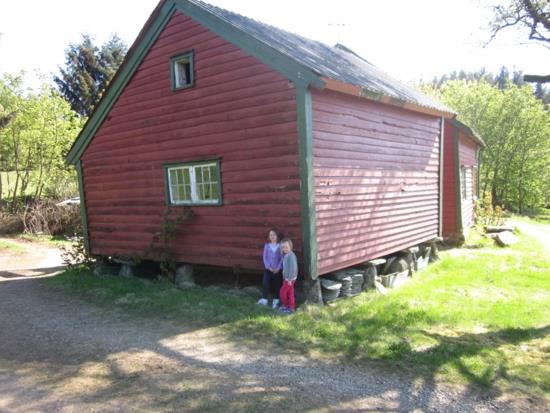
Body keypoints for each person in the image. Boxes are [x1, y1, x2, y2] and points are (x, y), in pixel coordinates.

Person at [257, 228, 283, 308]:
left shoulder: (280, 246)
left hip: (277, 270)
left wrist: (278, 268)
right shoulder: (267, 245)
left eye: (274, 235)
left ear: (277, 236)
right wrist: (268, 267)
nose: (272, 236)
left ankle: (276, 299)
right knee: (265, 283)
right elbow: (265, 257)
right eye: (271, 235)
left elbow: (282, 258)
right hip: (268, 269)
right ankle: (264, 299)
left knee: (277, 285)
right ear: (269, 236)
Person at [279, 238, 298, 314]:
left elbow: (293, 268)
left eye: (286, 247)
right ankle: (291, 307)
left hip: (290, 279)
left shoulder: (291, 256)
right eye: (283, 247)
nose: (284, 249)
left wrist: (289, 279)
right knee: (290, 292)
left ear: (290, 247)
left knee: (282, 292)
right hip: (288, 278)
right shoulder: (286, 255)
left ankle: (285, 305)